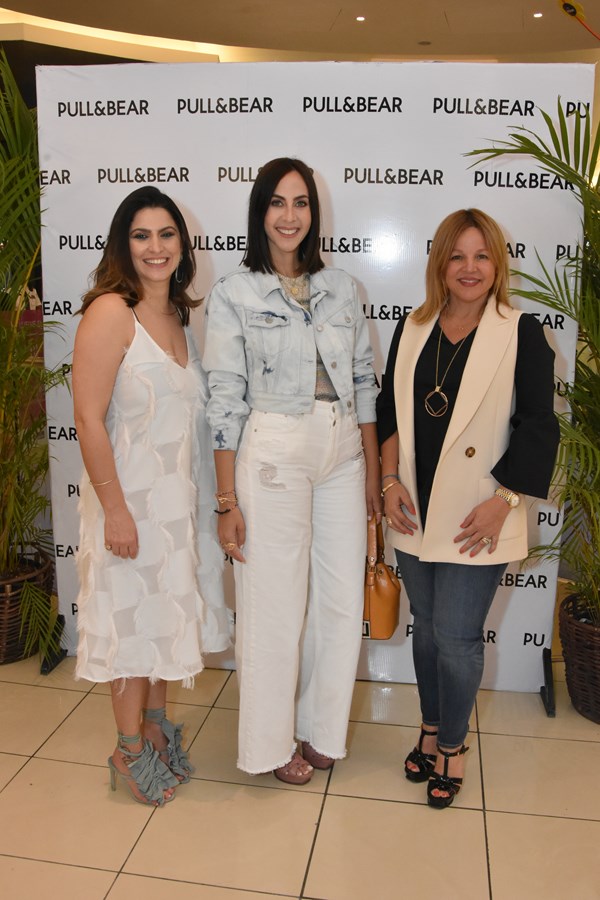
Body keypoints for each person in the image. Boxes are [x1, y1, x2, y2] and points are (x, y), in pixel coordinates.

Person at [203, 157, 380, 784]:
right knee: (274, 606)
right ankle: (269, 744)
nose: (289, 215)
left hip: (342, 451)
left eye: (300, 202)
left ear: (314, 212)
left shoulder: (344, 288)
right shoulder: (233, 293)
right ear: (260, 212)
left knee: (337, 601)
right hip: (273, 446)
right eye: (276, 203)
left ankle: (323, 730)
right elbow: (224, 398)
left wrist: (371, 471)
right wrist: (227, 499)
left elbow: (363, 381)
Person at [376, 208, 559, 809]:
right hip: (413, 512)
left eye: (481, 256)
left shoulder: (520, 331)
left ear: (497, 264)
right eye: (458, 256)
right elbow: (387, 412)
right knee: (426, 632)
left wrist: (504, 501)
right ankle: (430, 726)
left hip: (477, 517)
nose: (470, 268)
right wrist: (387, 482)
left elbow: (539, 426)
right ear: (440, 264)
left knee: (456, 637)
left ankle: (452, 743)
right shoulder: (413, 326)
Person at [73, 186, 230, 806]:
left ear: (182, 246)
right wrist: (114, 508)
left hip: (176, 505)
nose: (156, 248)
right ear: (123, 244)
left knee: (166, 619)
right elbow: (87, 418)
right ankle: (127, 747)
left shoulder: (187, 316)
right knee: (130, 626)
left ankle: (157, 727)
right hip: (128, 504)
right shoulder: (112, 311)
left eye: (166, 235)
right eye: (142, 236)